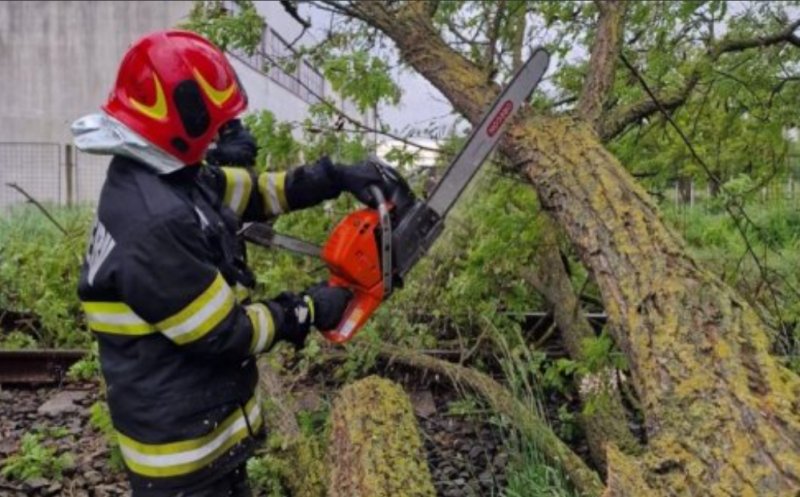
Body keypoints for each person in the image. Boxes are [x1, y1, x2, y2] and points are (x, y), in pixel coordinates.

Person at [72, 30, 391, 497]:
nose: (219, 138)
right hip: (183, 461)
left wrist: (334, 176)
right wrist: (306, 309)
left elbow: (257, 192)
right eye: (214, 126)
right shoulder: (154, 221)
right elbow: (227, 334)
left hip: (201, 433)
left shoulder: (164, 176)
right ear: (180, 119)